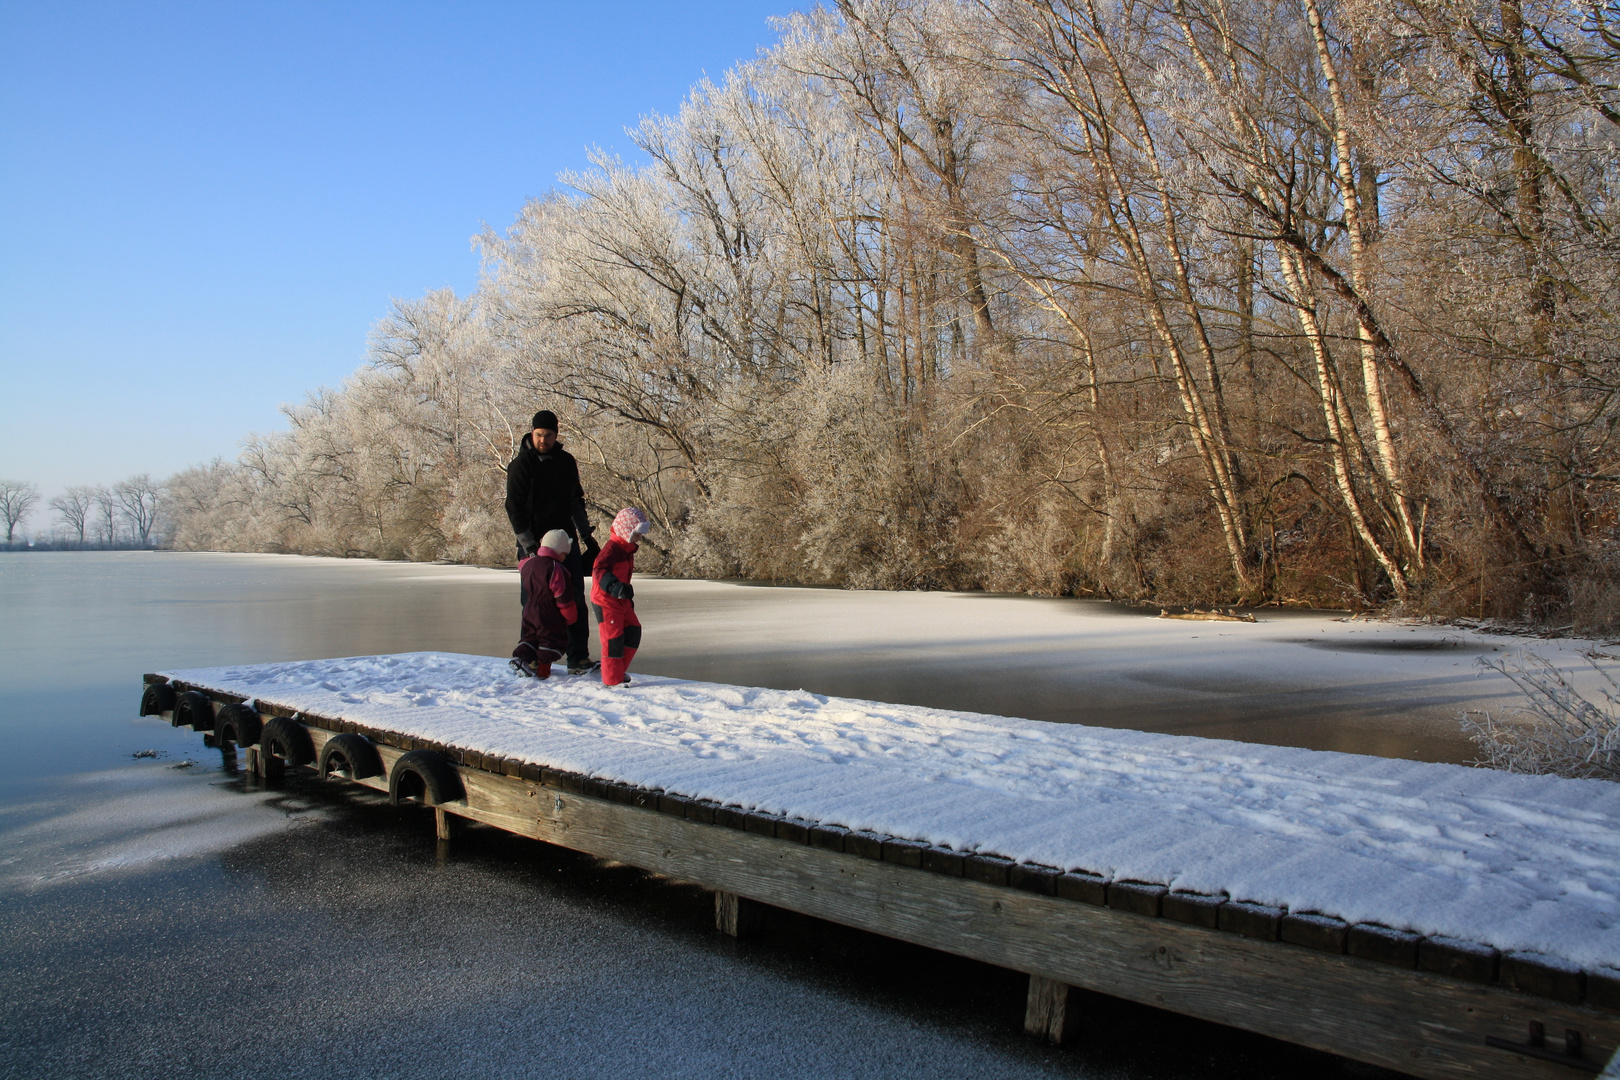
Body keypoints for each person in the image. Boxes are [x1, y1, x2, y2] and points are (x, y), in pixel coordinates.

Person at [505, 410, 600, 674]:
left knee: (574, 599)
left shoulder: (566, 462)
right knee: (534, 603)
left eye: (548, 435)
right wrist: (529, 547)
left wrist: (586, 536)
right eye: (539, 435)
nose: (543, 439)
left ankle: (578, 658)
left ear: (556, 435)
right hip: (533, 543)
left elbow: (575, 501)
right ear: (532, 433)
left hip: (564, 541)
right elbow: (513, 509)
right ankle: (533, 657)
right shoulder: (521, 465)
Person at [592, 507, 650, 687]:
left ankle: (616, 672)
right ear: (626, 531)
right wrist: (615, 587)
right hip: (607, 601)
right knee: (613, 640)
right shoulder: (612, 550)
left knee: (633, 630)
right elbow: (599, 571)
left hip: (621, 601)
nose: (639, 538)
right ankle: (612, 681)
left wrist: (625, 595)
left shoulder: (626, 549)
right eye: (636, 534)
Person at [510, 529, 579, 679]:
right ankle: (543, 671)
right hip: (548, 611)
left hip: (529, 608)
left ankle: (520, 658)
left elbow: (521, 564)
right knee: (550, 640)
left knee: (530, 636)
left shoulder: (528, 563)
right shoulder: (556, 568)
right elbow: (562, 596)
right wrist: (570, 616)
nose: (564, 558)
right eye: (564, 554)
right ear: (559, 550)